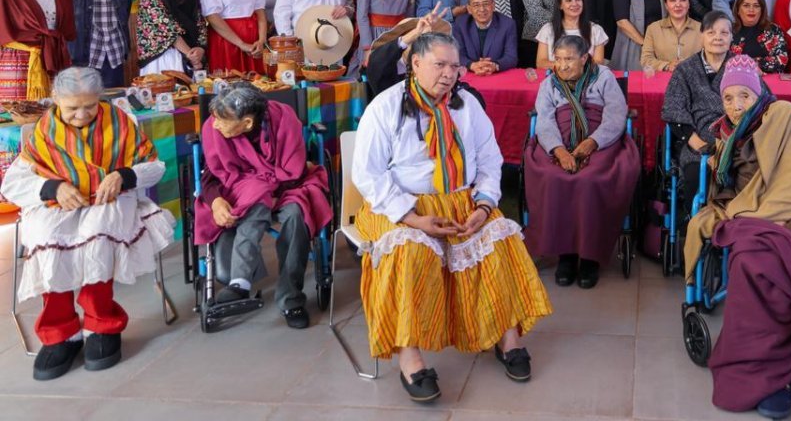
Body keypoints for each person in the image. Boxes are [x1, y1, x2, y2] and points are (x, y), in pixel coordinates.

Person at [352, 32, 552, 400]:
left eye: (454, 66)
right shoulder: (386, 105)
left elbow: (490, 160)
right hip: (400, 205)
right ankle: (410, 357)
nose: (448, 74)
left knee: (502, 240)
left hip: (461, 200)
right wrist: (414, 219)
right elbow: (367, 175)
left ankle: (507, 339)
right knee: (409, 252)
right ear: (415, 64)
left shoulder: (466, 105)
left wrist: (485, 205)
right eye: (439, 65)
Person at [683, 55, 791, 419]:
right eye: (729, 98)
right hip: (747, 215)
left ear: (759, 92)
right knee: (748, 260)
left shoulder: (782, 114)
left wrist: (768, 216)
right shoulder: (725, 133)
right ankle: (751, 370)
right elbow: (723, 188)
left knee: (771, 265)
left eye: (744, 97)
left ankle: (779, 377)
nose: (736, 106)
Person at [0, 67, 175, 380]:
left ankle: (101, 325)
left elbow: (154, 165)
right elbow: (13, 182)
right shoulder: (44, 128)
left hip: (109, 198)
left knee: (97, 235)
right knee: (46, 236)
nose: (81, 115)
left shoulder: (121, 122)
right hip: (58, 201)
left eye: (89, 106)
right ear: (55, 101)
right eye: (72, 108)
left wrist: (124, 175)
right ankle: (60, 333)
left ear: (100, 99)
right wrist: (52, 188)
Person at [194, 83, 333, 329]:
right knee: (254, 203)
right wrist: (216, 201)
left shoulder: (284, 121)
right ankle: (239, 282)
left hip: (287, 186)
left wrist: (262, 185)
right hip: (238, 189)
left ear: (247, 123)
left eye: (221, 120)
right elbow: (211, 174)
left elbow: (294, 171)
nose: (214, 124)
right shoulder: (214, 128)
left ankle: (291, 299)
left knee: (296, 215)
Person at [525, 36, 640, 289]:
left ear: (584, 58)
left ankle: (590, 257)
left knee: (591, 178)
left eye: (569, 59)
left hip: (600, 141)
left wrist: (591, 143)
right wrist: (560, 152)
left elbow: (615, 115)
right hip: (558, 141)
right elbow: (544, 121)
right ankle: (566, 255)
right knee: (555, 177)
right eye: (558, 59)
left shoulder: (604, 77)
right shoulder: (549, 84)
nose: (562, 65)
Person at [661, 12, 734, 210]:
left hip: (737, 144)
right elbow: (673, 110)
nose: (718, 37)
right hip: (698, 145)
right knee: (696, 177)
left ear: (731, 38)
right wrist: (702, 148)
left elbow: (762, 104)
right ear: (701, 36)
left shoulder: (742, 67)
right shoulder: (685, 69)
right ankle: (696, 229)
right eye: (711, 32)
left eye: (724, 32)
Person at [534, 0, 607, 68]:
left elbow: (598, 63)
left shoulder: (596, 30)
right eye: (568, 0)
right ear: (560, 5)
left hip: (587, 80)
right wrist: (570, 66)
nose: (575, 4)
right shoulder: (547, 30)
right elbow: (541, 63)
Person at [453, 0, 518, 74]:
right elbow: (458, 54)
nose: (482, 9)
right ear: (469, 9)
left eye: (486, 4)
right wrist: (472, 65)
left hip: (497, 75)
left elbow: (511, 57)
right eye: (476, 5)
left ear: (493, 5)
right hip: (469, 74)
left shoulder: (508, 24)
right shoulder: (461, 23)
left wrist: (494, 66)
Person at [641, 0, 702, 72]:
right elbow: (645, 60)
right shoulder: (653, 29)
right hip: (662, 82)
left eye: (683, 0)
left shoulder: (702, 29)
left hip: (693, 81)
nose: (678, 4)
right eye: (673, 0)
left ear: (689, 4)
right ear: (666, 5)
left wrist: (689, 66)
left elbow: (709, 59)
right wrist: (667, 66)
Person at [728, 0, 788, 73]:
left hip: (767, 81)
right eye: (746, 5)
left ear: (762, 10)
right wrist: (750, 65)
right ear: (738, 10)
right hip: (735, 80)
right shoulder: (729, 30)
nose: (751, 10)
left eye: (756, 6)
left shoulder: (773, 30)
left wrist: (750, 64)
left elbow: (782, 60)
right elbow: (722, 59)